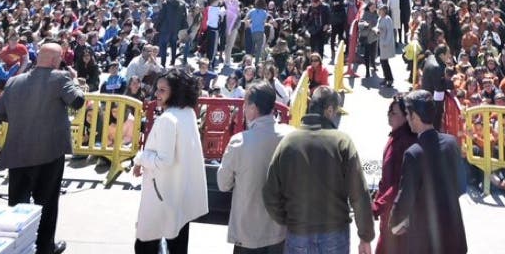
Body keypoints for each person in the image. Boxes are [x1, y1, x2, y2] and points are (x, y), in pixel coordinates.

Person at [0, 42, 85, 254]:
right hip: (49, 154)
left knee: (17, 207)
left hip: (17, 155)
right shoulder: (61, 77)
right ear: (56, 60)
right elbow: (78, 101)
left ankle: (17, 248)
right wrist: (75, 81)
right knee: (47, 203)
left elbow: (2, 113)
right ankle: (45, 247)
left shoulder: (14, 81)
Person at [263, 86, 374, 254]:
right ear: (329, 110)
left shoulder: (288, 142)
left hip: (298, 232)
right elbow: (359, 194)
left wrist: (288, 219)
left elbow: (270, 193)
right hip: (334, 234)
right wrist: (365, 236)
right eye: (336, 111)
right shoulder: (342, 142)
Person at [133, 68, 208, 254]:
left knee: (145, 244)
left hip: (162, 194)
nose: (156, 94)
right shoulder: (188, 113)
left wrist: (140, 158)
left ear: (175, 92)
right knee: (178, 243)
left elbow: (164, 161)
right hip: (179, 192)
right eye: (157, 89)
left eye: (162, 90)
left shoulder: (168, 119)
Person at [217, 81, 293, 254]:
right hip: (280, 228)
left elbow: (223, 184)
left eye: (245, 104)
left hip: (247, 231)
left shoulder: (239, 141)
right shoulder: (291, 136)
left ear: (253, 107)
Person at [390, 89, 467, 254]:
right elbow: (461, 186)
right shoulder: (451, 143)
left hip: (426, 239)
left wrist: (395, 223)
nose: (407, 119)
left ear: (415, 117)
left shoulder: (414, 153)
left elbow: (405, 196)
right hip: (454, 233)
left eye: (408, 114)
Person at [372, 95, 417, 254]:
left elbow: (399, 183)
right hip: (389, 210)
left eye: (394, 113)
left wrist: (377, 206)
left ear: (407, 117)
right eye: (389, 112)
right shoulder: (395, 136)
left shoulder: (405, 142)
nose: (389, 115)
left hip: (397, 214)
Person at [376, 3, 397, 88]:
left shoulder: (388, 19)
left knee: (384, 62)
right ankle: (386, 78)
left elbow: (390, 33)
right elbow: (378, 27)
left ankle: (390, 79)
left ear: (384, 11)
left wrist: (386, 43)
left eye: (381, 10)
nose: (379, 11)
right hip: (380, 42)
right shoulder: (380, 18)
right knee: (383, 62)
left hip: (385, 43)